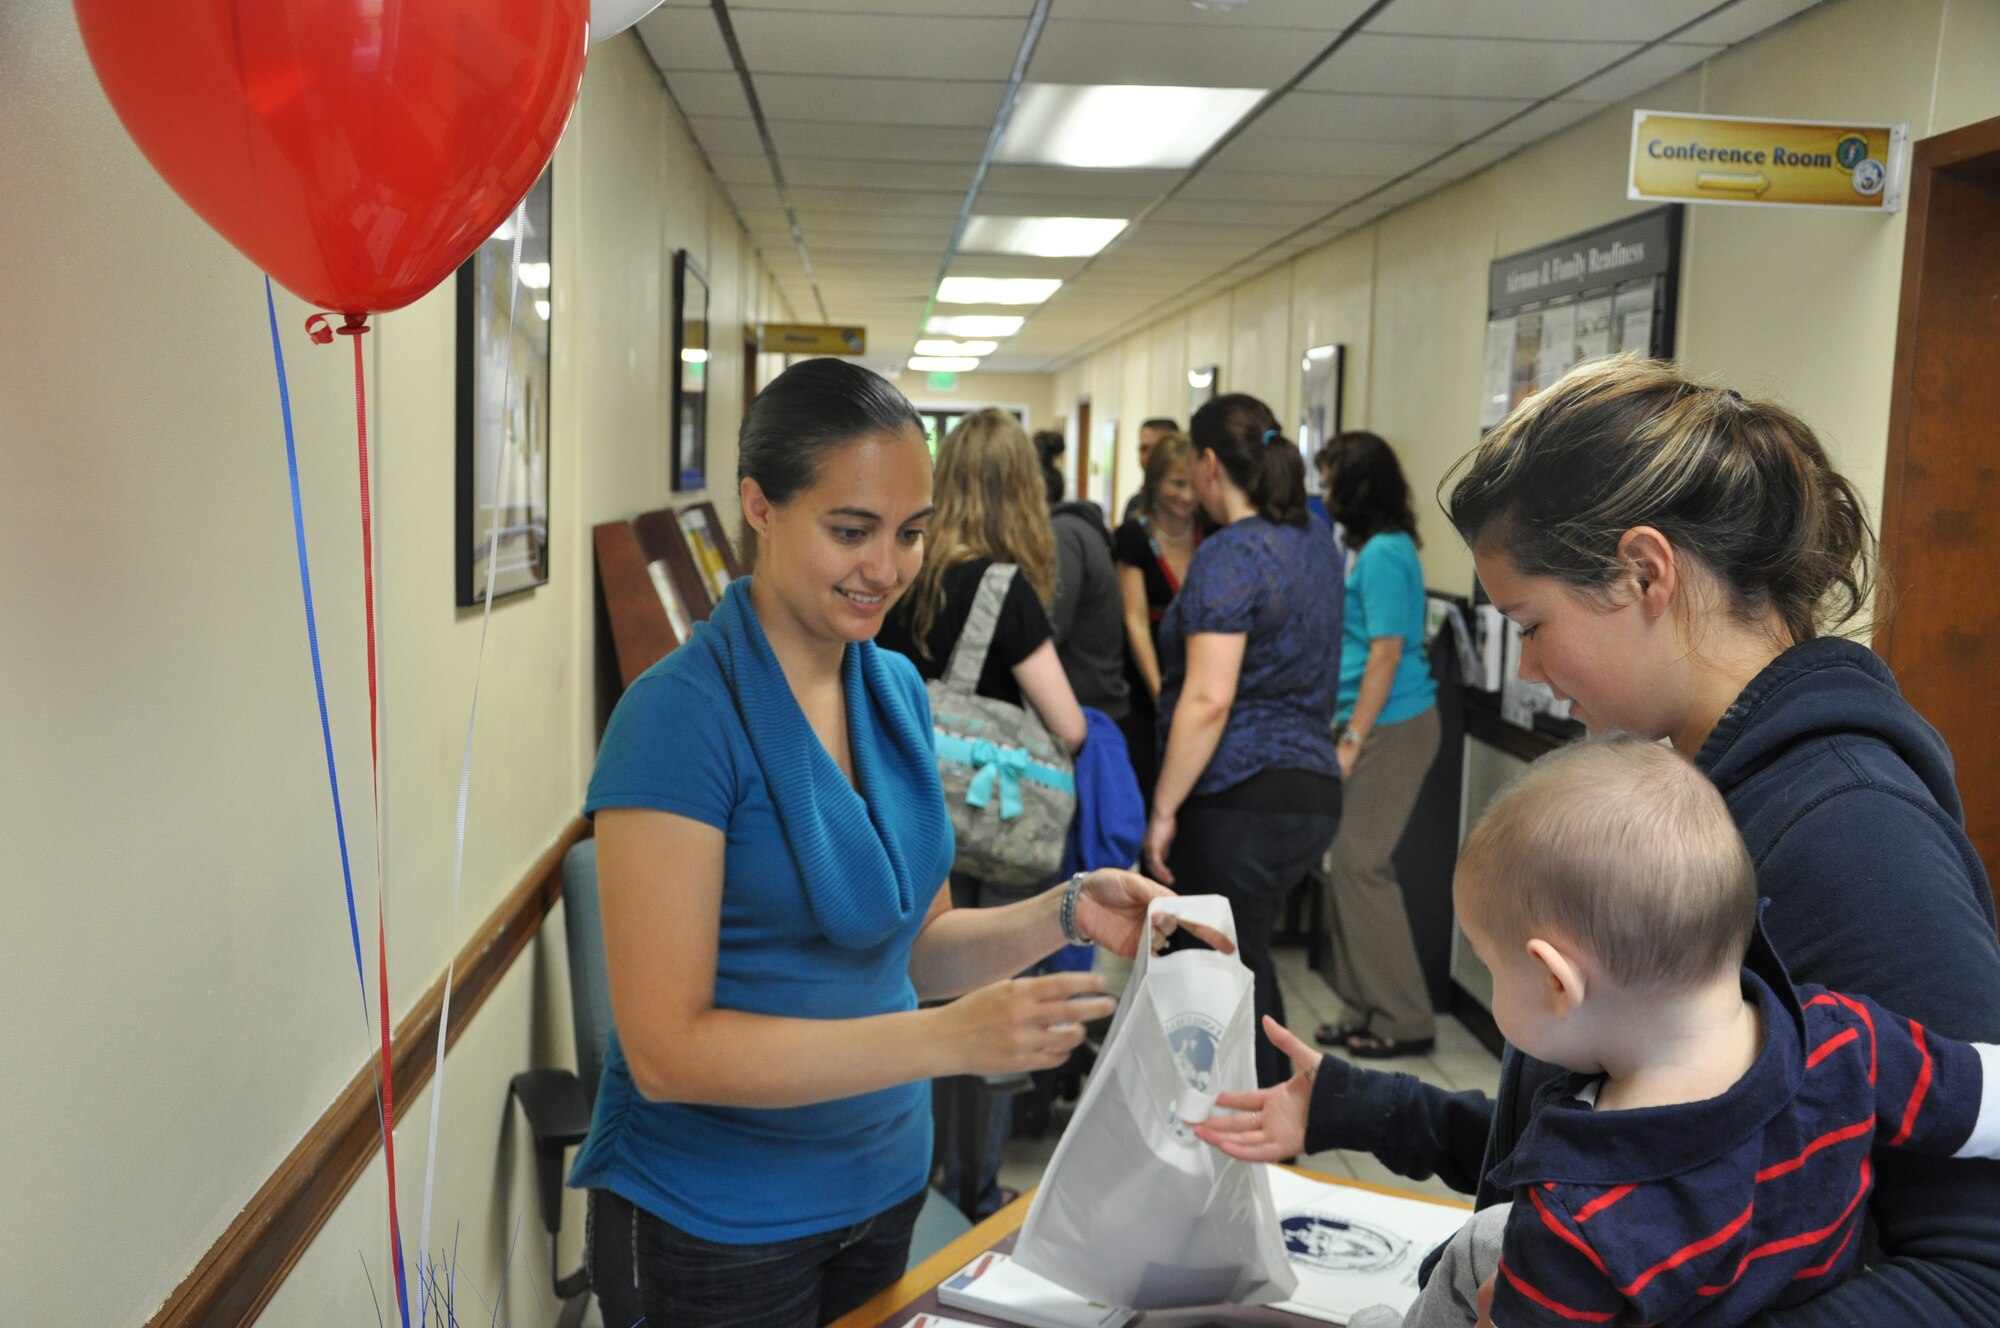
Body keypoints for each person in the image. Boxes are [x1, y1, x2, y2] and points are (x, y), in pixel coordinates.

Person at [1193, 356, 2000, 1326]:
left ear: (1644, 571)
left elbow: (1970, 1277)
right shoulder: (1680, 796)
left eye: (1531, 624)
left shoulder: (1854, 834)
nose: (1528, 669)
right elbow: (1634, 1130)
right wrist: (1364, 1108)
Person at [571, 359, 1216, 1328]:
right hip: (716, 1217)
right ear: (758, 505)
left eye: (911, 532)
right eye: (850, 530)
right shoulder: (676, 718)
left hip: (877, 1185)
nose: (886, 567)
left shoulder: (894, 692)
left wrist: (1066, 908)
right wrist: (944, 1038)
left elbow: (916, 942)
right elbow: (666, 1052)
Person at [1315, 738, 2000, 1328]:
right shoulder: (1848, 1039)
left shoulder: (1578, 1217)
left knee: (1477, 1245)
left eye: (1490, 965)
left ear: (1556, 981)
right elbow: (1978, 1097)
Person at [876, 405, 1090, 1216]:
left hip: (900, 816)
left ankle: (918, 1176)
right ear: (1020, 494)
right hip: (990, 837)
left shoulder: (899, 576)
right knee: (990, 1004)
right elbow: (1067, 723)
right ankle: (971, 1186)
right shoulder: (1005, 589)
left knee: (916, 993)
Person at [1141, 393, 1344, 1089]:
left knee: (1226, 977)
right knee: (1246, 961)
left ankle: (1255, 1138)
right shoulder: (1316, 541)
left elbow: (1208, 698)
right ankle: (1268, 1126)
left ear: (1205, 465)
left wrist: (1164, 809)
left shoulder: (1230, 553)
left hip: (1237, 796)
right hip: (1311, 791)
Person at [1313, 432, 1441, 1059]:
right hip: (1371, 723)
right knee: (1346, 865)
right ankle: (1361, 1002)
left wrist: (1353, 737)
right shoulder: (1371, 551)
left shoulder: (1387, 553)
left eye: (1333, 479)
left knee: (1362, 863)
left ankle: (1404, 1016)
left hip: (1393, 725)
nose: (1325, 492)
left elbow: (1387, 654)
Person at [1112, 430, 1203, 803]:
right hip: (1146, 677)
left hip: (1198, 667)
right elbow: (1134, 619)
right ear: (1155, 483)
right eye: (1175, 484)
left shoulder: (1209, 533)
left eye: (1192, 484)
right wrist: (1160, 693)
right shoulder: (1135, 534)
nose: (1186, 495)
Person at [1119, 416, 1181, 521]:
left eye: (1157, 449)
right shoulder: (1135, 505)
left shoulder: (1188, 504)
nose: (1149, 457)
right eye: (1144, 449)